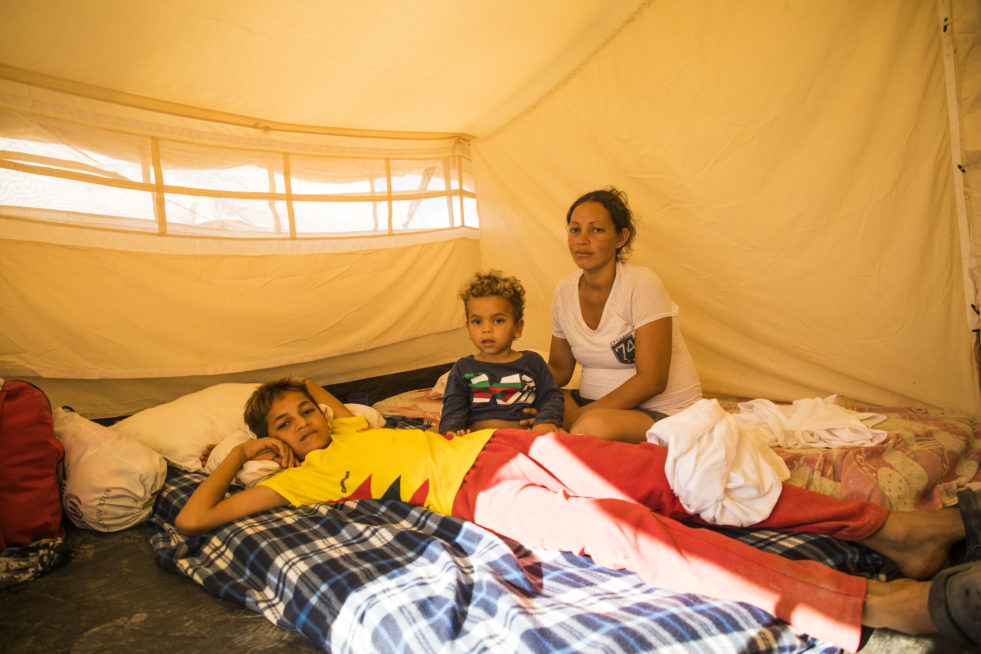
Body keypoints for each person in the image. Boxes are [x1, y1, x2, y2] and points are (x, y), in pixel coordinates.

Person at [177, 377, 981, 652]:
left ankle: (901, 530)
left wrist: (314, 403)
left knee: (680, 482)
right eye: (283, 423)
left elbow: (332, 397)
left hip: (513, 444)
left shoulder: (354, 421)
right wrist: (239, 457)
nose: (303, 424)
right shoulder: (305, 476)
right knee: (634, 535)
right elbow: (193, 523)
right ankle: (872, 603)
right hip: (483, 497)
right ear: (270, 439)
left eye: (301, 411)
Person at [547, 187, 702, 442]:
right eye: (575, 229)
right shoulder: (564, 291)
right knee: (532, 406)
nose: (582, 239)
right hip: (593, 406)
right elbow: (560, 369)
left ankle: (584, 424)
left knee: (590, 429)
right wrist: (517, 380)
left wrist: (581, 416)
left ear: (621, 237)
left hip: (663, 412)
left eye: (596, 229)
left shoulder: (641, 284)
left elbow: (653, 380)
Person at [439, 270, 564, 436]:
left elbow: (551, 397)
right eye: (477, 322)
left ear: (517, 328)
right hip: (479, 442)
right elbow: (453, 409)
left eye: (498, 320)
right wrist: (451, 432)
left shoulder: (532, 362)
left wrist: (546, 421)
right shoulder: (463, 368)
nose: (486, 329)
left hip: (525, 438)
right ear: (468, 329)